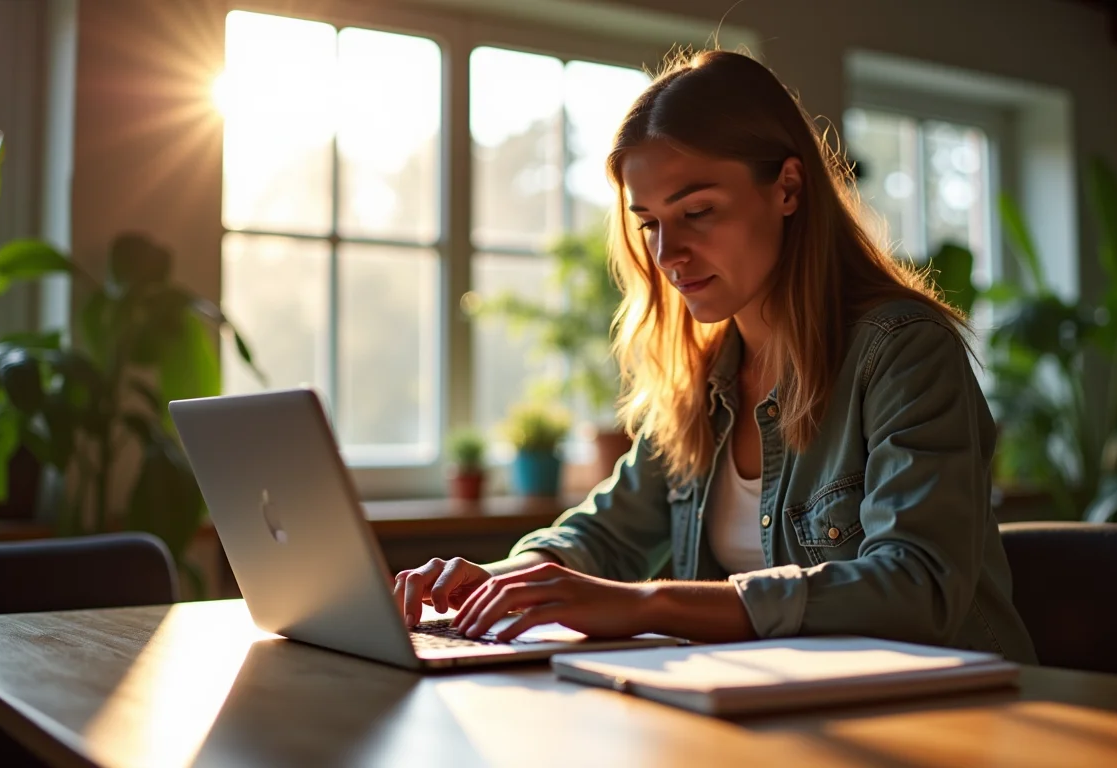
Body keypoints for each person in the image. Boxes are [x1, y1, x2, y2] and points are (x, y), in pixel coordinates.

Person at [394, 49, 1037, 664]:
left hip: (949, 713)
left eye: (697, 210)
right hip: (775, 710)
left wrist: (648, 603)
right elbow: (606, 535)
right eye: (649, 222)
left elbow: (916, 587)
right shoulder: (703, 376)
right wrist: (492, 581)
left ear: (787, 188)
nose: (668, 252)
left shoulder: (902, 351)